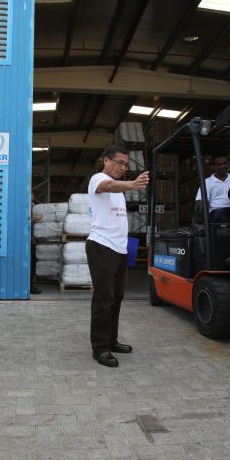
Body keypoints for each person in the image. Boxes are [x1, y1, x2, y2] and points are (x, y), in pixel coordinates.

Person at [86, 145, 149, 367]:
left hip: (119, 249)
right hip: (102, 247)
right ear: (106, 160)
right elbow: (108, 185)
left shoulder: (119, 192)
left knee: (117, 297)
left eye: (125, 164)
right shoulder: (98, 179)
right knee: (104, 299)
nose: (122, 167)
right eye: (119, 162)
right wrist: (132, 184)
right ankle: (100, 348)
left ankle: (111, 341)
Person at [195, 155, 230, 223]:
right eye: (219, 164)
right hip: (217, 213)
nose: (223, 166)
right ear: (213, 167)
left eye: (225, 163)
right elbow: (200, 201)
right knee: (220, 213)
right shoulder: (207, 182)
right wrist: (201, 207)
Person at [30, 193, 43, 295]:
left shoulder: (29, 207)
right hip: (25, 242)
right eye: (31, 200)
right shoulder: (24, 207)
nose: (33, 202)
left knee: (33, 262)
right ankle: (29, 286)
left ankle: (31, 285)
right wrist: (34, 219)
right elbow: (23, 220)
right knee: (30, 263)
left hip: (30, 240)